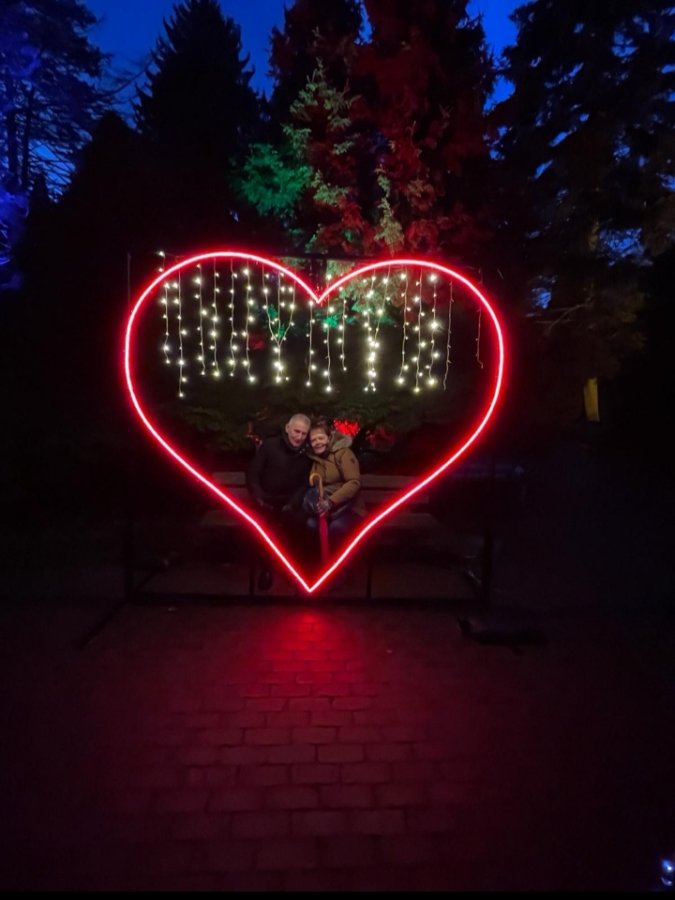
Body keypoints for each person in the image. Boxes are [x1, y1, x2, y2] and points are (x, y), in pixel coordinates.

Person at [246, 413, 311, 589]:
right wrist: (259, 497)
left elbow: (305, 483)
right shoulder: (270, 445)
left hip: (290, 502)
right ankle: (266, 569)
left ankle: (294, 571)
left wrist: (293, 503)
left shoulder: (307, 454)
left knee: (301, 525)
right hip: (266, 500)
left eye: (304, 433)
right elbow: (253, 474)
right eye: (296, 431)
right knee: (262, 528)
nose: (299, 437)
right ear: (288, 428)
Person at [303, 418, 366, 547]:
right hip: (329, 511)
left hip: (350, 509)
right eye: (313, 440)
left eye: (320, 438)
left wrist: (331, 502)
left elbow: (353, 483)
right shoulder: (315, 460)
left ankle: (341, 559)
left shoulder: (343, 453)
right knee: (311, 525)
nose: (317, 442)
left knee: (337, 528)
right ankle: (319, 559)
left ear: (329, 438)